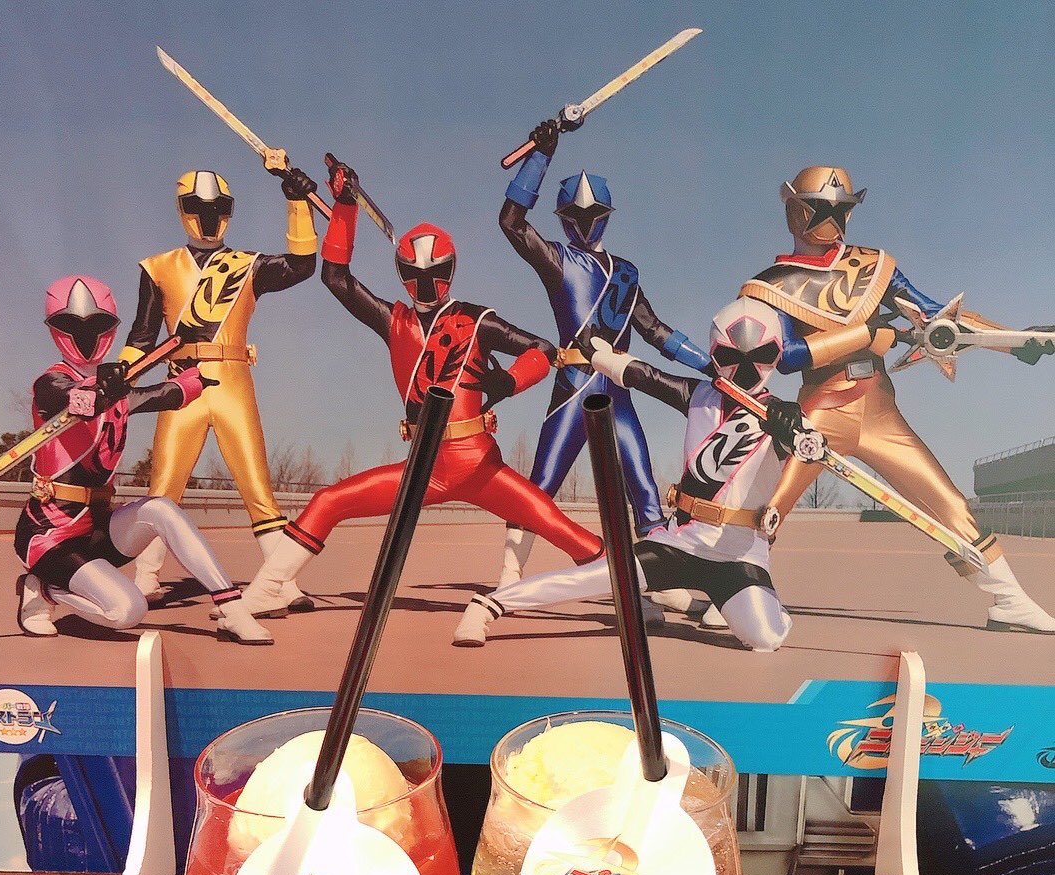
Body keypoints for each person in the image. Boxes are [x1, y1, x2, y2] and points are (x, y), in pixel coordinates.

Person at [241, 158, 604, 616]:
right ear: (402, 274)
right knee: (328, 501)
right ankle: (267, 588)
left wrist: (509, 380)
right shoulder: (394, 321)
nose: (426, 284)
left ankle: (631, 593)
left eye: (435, 274)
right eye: (414, 275)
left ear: (450, 271)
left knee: (563, 529)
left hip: (477, 465)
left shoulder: (476, 319)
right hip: (424, 467)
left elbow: (544, 349)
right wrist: (345, 206)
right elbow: (336, 277)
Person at [736, 166, 1055, 633]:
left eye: (841, 209)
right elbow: (783, 357)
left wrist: (1011, 340)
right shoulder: (772, 284)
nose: (833, 220)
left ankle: (1009, 600)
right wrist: (864, 334)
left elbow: (935, 316)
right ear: (797, 212)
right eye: (822, 209)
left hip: (880, 410)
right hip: (821, 410)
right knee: (768, 505)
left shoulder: (872, 266)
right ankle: (733, 590)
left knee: (948, 504)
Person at [453, 297, 799, 652]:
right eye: (730, 357)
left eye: (760, 356)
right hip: (680, 545)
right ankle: (489, 604)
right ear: (714, 354)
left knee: (767, 637)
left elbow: (802, 459)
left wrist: (793, 431)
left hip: (740, 558)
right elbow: (643, 376)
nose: (745, 370)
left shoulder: (784, 420)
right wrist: (599, 357)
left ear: (776, 356)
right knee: (591, 578)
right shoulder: (699, 396)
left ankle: (747, 604)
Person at [491, 118, 711, 604]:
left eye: (592, 214)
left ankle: (658, 585)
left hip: (615, 389)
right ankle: (509, 574)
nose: (585, 221)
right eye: (576, 214)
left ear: (607, 215)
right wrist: (541, 156)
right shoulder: (558, 259)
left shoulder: (626, 273)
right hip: (574, 383)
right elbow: (511, 221)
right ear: (563, 217)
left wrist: (712, 365)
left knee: (644, 490)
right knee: (542, 484)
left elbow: (655, 330)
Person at [15, 275, 271, 644]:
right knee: (127, 612)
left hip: (96, 530)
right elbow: (75, 399)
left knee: (160, 509)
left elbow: (163, 394)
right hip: (49, 537)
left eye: (97, 325)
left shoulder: (117, 391)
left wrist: (198, 376)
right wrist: (100, 389)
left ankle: (232, 607)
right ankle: (43, 589)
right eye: (72, 325)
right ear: (56, 328)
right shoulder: (51, 383)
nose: (86, 335)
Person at [119, 164, 318, 610]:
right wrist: (119, 374)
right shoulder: (158, 267)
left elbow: (302, 265)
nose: (209, 216)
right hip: (181, 384)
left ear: (228, 210)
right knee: (164, 486)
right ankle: (146, 577)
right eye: (198, 206)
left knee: (257, 486)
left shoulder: (247, 266)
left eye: (218, 207)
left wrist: (297, 204)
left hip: (232, 381)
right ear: (182, 209)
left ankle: (279, 582)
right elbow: (142, 334)